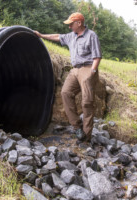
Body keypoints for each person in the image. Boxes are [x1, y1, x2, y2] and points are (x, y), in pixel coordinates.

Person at [34, 12, 102, 143]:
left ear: (79, 23)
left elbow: (97, 56)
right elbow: (57, 36)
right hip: (75, 69)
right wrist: (41, 35)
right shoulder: (71, 36)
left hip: (88, 68)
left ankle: (86, 137)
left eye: (71, 24)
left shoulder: (91, 36)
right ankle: (77, 127)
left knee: (87, 103)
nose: (69, 27)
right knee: (65, 92)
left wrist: (92, 72)